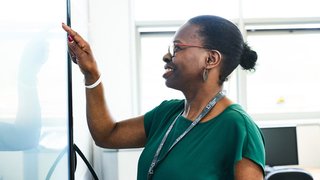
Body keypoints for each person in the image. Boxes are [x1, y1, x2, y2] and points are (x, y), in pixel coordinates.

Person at [62, 15, 265, 180]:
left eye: (177, 48)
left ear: (210, 59)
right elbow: (107, 135)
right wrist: (91, 73)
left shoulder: (237, 127)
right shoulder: (169, 113)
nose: (167, 56)